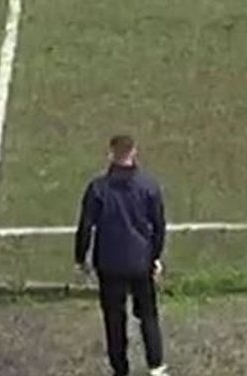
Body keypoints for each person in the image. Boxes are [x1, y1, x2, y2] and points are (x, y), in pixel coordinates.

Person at [75, 135, 168, 376]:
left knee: (114, 320)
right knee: (148, 314)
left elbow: (85, 226)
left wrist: (81, 258)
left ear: (110, 154)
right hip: (141, 261)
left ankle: (120, 369)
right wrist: (155, 256)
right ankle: (156, 366)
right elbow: (159, 225)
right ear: (134, 152)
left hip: (110, 263)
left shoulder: (98, 189)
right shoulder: (149, 185)